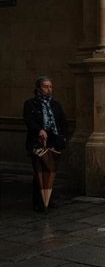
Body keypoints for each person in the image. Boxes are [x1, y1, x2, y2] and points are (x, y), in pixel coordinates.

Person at [23, 76, 68, 212]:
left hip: (53, 141)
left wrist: (63, 136)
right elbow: (29, 120)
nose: (49, 89)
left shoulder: (55, 105)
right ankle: (38, 201)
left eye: (50, 86)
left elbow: (63, 122)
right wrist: (39, 130)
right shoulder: (30, 104)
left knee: (51, 170)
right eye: (46, 87)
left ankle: (48, 199)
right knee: (39, 171)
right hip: (38, 141)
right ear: (38, 89)